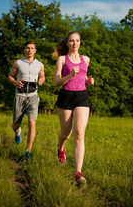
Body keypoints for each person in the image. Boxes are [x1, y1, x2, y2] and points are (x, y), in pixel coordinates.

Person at [53, 31, 94, 185]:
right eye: (71, 41)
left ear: (80, 42)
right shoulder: (62, 59)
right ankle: (60, 147)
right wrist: (69, 76)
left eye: (77, 41)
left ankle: (78, 173)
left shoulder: (86, 59)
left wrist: (88, 81)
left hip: (81, 96)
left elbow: (82, 76)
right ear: (67, 43)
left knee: (79, 133)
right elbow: (56, 82)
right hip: (66, 97)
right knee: (66, 133)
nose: (74, 43)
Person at [8, 41, 45, 159]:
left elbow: (42, 76)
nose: (29, 50)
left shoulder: (40, 64)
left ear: (35, 50)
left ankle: (28, 150)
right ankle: (17, 131)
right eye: (27, 48)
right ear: (24, 50)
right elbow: (10, 76)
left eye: (32, 48)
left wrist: (42, 80)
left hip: (33, 96)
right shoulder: (18, 63)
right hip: (20, 96)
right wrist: (14, 82)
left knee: (32, 123)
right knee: (15, 124)